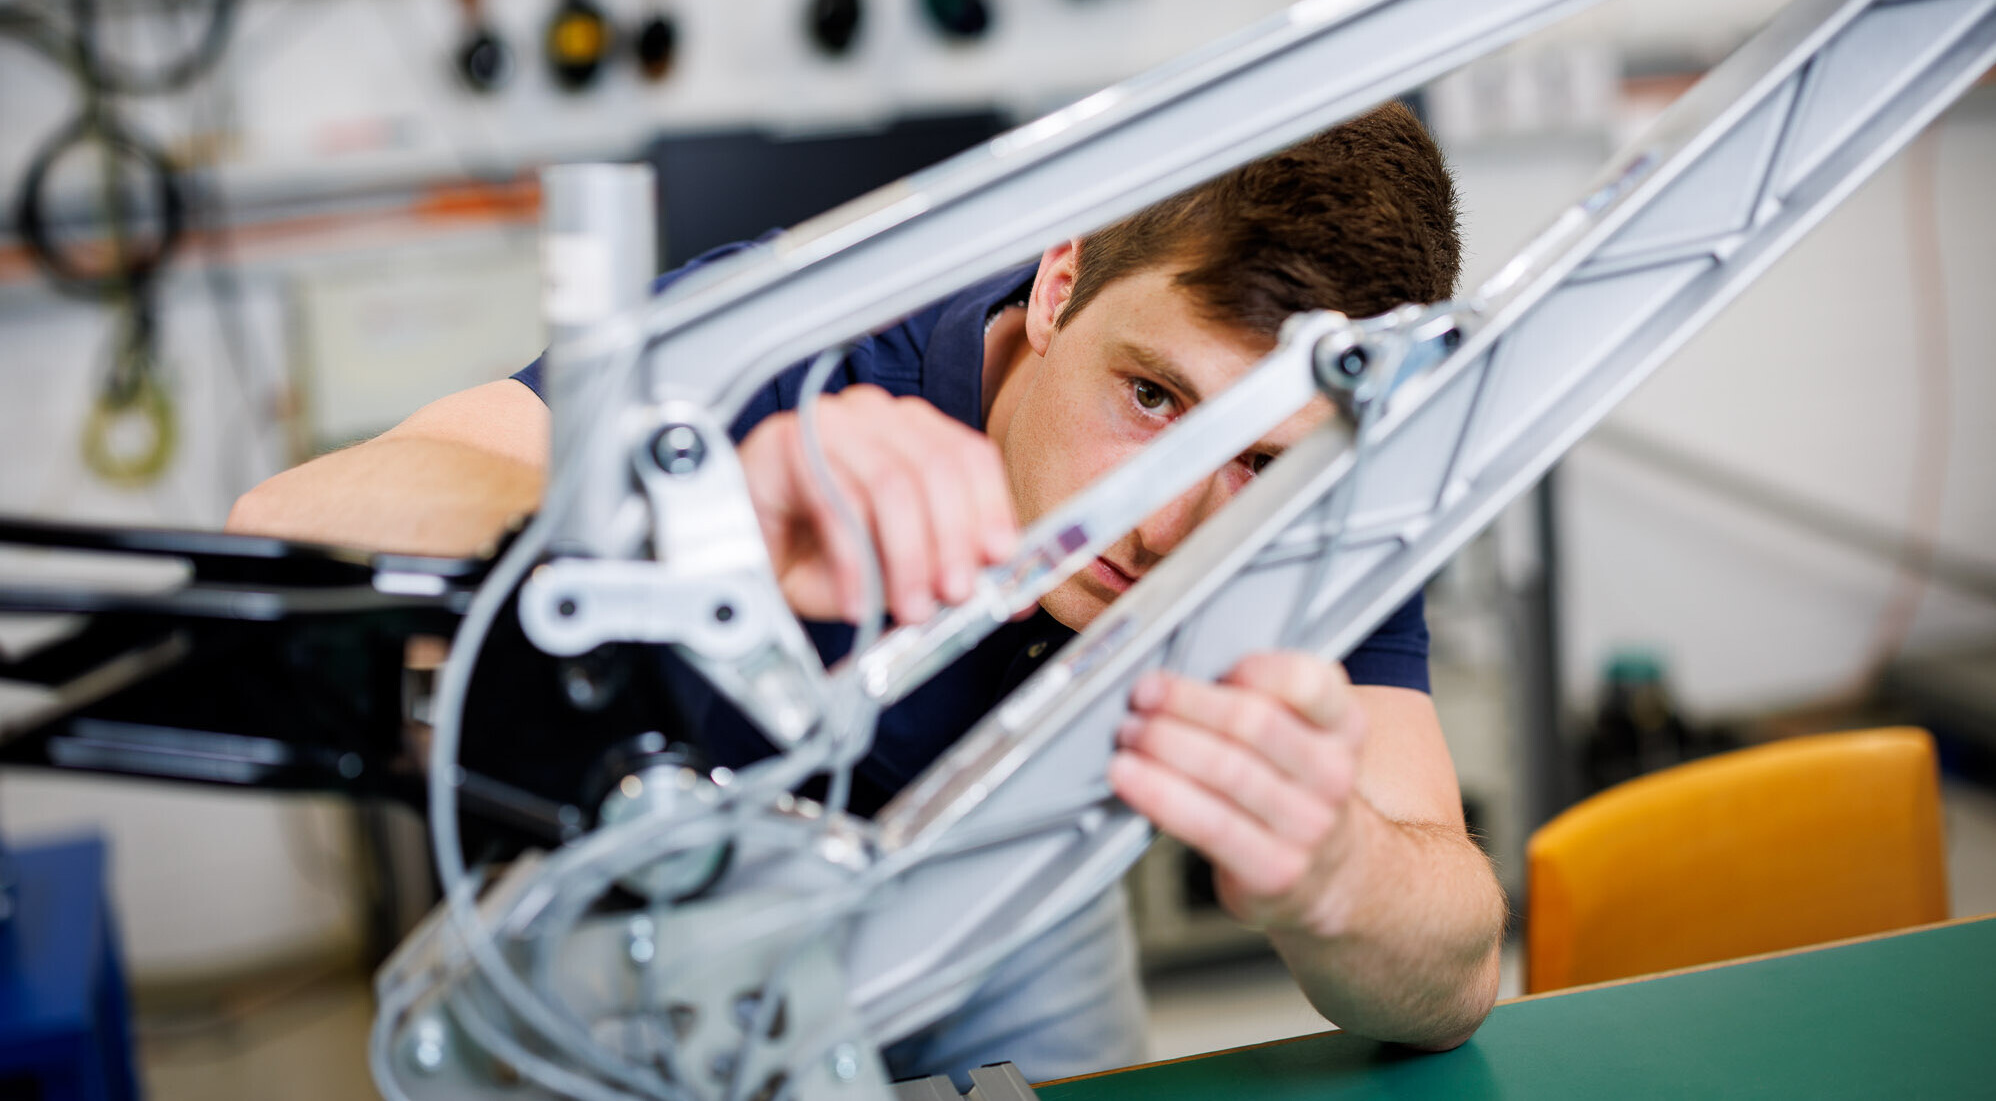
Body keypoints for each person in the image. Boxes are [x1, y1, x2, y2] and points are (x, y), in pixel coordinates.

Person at [228, 102, 1503, 1083]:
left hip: (1005, 912)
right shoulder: (807, 337)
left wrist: (1336, 870)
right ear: (1058, 285)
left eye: (1253, 460)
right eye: (1150, 399)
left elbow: (1452, 970)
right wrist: (695, 525)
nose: (1167, 521)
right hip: (651, 917)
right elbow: (293, 522)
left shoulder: (1314, 500)